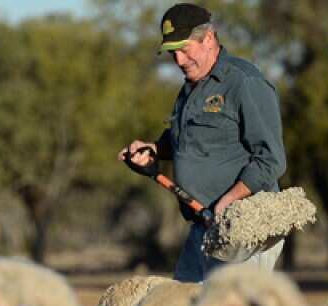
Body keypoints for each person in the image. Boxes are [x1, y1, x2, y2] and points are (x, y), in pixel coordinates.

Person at [118, 3, 287, 282]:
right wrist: (153, 151)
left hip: (242, 227)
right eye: (173, 52)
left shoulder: (244, 82)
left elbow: (271, 159)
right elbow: (184, 143)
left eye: (185, 49)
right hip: (202, 226)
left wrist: (230, 199)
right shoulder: (189, 89)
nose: (179, 60)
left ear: (209, 38)